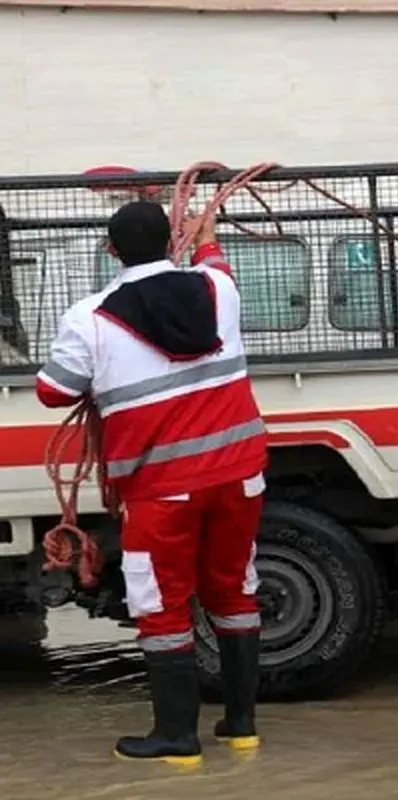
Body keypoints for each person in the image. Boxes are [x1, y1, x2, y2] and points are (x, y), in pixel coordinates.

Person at [35, 202, 267, 765]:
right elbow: (215, 260)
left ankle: (177, 739)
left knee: (161, 607)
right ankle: (240, 727)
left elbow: (52, 392)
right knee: (233, 590)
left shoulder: (89, 318)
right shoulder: (219, 290)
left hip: (161, 491)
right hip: (240, 477)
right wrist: (206, 235)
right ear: (172, 241)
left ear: (110, 251)